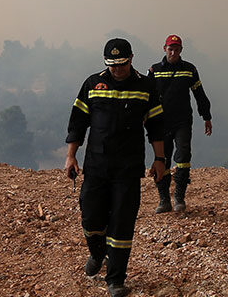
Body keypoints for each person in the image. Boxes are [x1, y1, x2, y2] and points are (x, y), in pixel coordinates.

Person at [65, 38, 167, 297]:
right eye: (111, 65)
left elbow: (156, 127)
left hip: (128, 168)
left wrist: (160, 160)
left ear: (132, 58)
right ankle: (97, 254)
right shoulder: (92, 84)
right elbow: (78, 122)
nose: (117, 69)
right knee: (90, 218)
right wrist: (71, 156)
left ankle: (116, 280)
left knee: (122, 223)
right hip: (96, 166)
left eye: (121, 64)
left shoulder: (146, 86)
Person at [147, 34, 212, 213]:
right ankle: (164, 199)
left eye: (176, 49)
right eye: (170, 48)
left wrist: (206, 116)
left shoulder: (189, 69)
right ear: (164, 49)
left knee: (183, 157)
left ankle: (179, 197)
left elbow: (199, 94)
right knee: (162, 158)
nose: (173, 52)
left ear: (181, 50)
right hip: (160, 122)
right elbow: (147, 97)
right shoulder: (154, 70)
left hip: (182, 121)